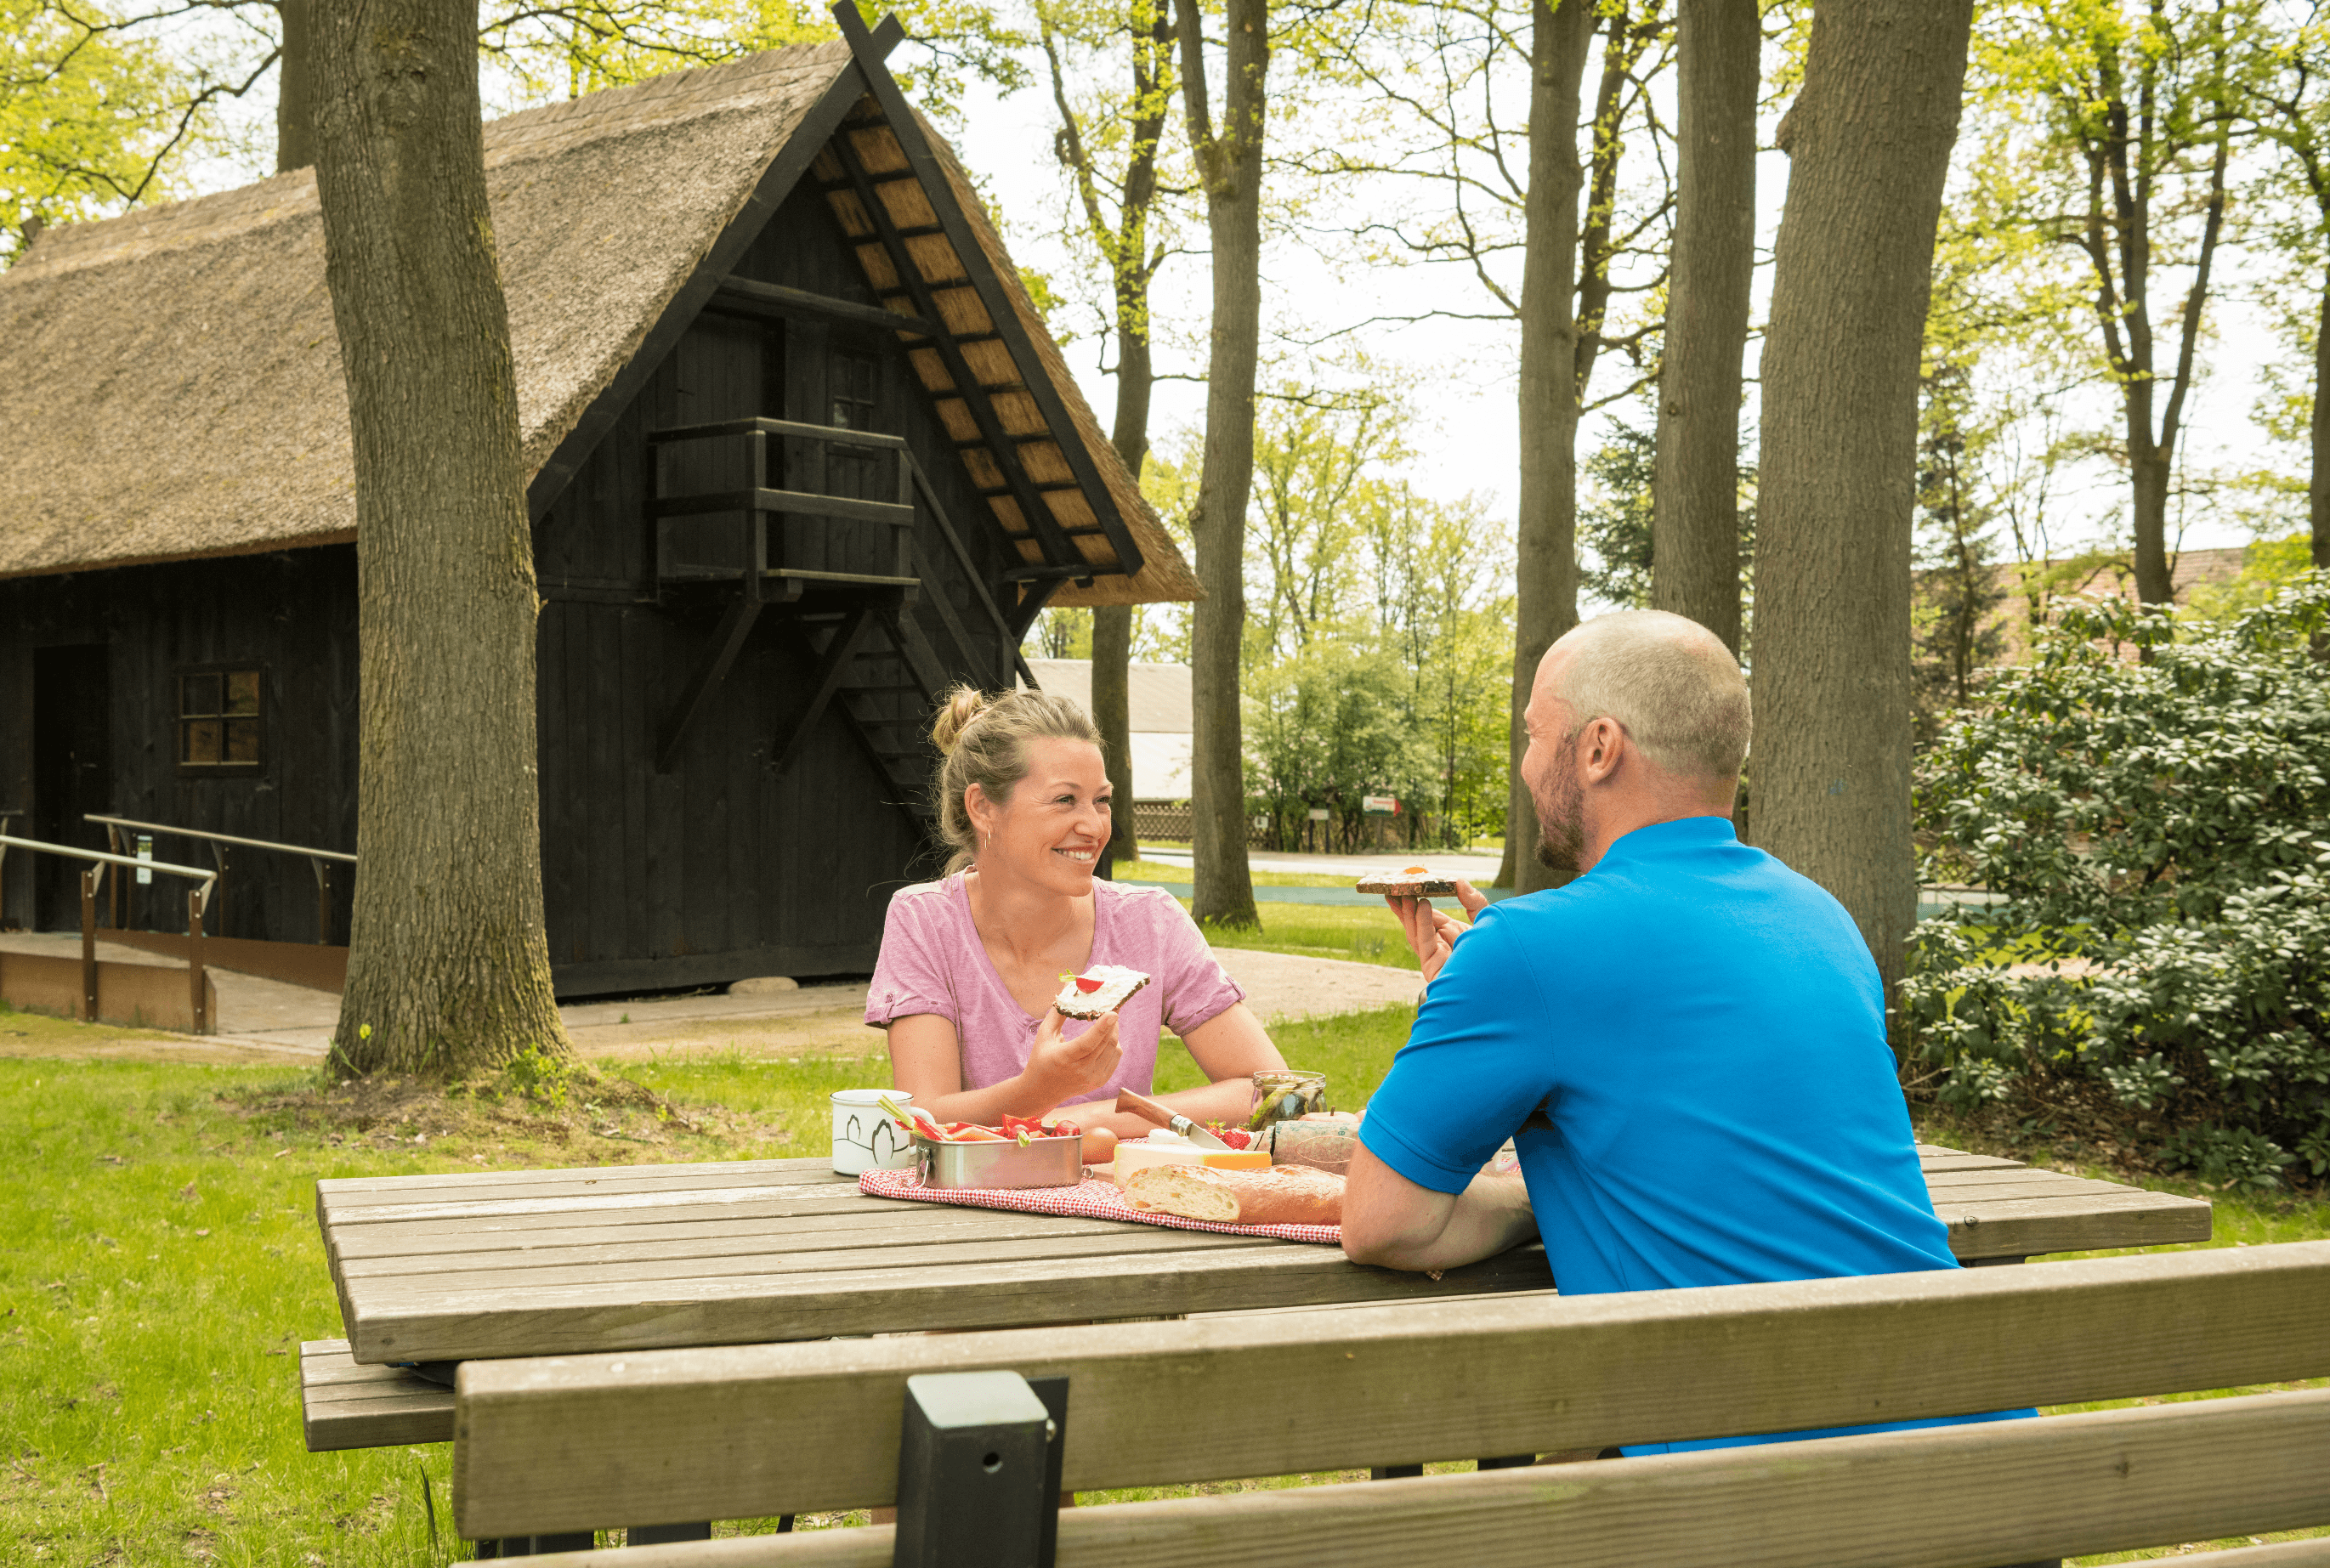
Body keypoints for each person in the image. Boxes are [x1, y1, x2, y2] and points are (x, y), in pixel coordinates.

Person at [1343, 609, 2028, 1458]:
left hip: (1776, 1507)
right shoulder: (1822, 919)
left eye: (1533, 732)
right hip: (1990, 1465)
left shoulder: (1525, 948)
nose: (1524, 763)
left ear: (1598, 747)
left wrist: (1535, 1190)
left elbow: (1382, 1221)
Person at [866, 683, 1285, 1132]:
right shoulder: (925, 921)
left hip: (1123, 1199)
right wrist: (1037, 1090)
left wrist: (1075, 1120)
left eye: (1101, 800)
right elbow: (921, 1120)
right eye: (1065, 800)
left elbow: (1271, 1092)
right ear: (983, 807)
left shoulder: (1149, 922)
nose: (1094, 826)